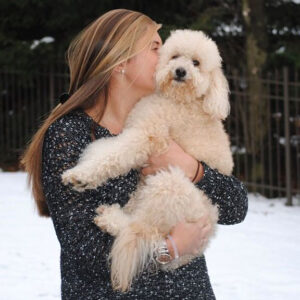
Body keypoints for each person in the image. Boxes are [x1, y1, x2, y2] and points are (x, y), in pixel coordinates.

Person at [21, 9, 248, 300]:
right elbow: (84, 252)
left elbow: (235, 207)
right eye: (156, 48)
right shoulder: (70, 134)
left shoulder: (173, 116)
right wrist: (171, 249)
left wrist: (192, 169)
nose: (166, 56)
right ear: (120, 63)